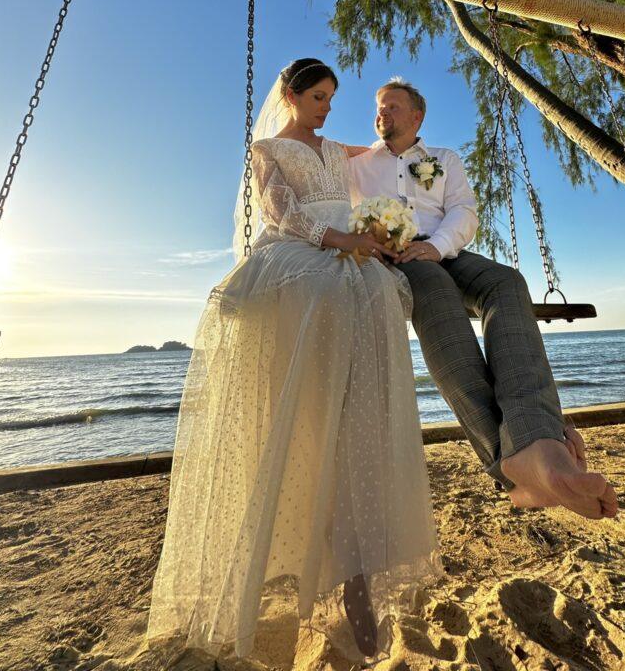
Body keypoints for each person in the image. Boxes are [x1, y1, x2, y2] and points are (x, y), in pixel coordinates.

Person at [146, 59, 442, 668]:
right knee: (328, 313)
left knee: (377, 310)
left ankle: (357, 566)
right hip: (306, 252)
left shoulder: (339, 148)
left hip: (356, 261)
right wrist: (346, 242)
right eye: (316, 96)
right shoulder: (268, 150)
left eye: (332, 97)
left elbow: (392, 151)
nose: (326, 107)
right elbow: (282, 213)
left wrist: (407, 160)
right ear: (289, 94)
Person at [350, 78, 619, 521]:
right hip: (396, 259)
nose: (383, 115)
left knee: (507, 282)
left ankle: (526, 455)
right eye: (379, 108)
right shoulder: (358, 164)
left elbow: (463, 211)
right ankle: (538, 451)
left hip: (443, 248)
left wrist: (436, 246)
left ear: (417, 117)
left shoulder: (444, 159)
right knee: (434, 289)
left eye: (393, 107)